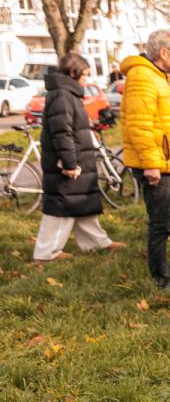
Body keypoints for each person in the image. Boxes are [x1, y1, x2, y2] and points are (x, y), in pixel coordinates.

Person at [120, 29, 170, 290]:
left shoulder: (159, 77)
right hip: (160, 167)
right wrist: (151, 164)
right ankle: (161, 278)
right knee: (161, 225)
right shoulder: (142, 76)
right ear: (163, 53)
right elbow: (139, 126)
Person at [33, 53, 126, 262]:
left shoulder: (67, 94)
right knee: (61, 207)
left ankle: (96, 242)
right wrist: (70, 163)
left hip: (77, 158)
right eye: (84, 74)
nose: (86, 78)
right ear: (72, 73)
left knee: (82, 202)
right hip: (67, 162)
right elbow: (61, 133)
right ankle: (46, 253)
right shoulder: (62, 96)